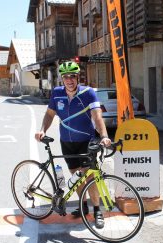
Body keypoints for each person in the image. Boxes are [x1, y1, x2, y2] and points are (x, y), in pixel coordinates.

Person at [35, 61, 111, 229]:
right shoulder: (57, 93)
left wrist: (104, 136)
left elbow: (97, 117)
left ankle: (97, 210)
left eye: (72, 77)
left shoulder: (88, 93)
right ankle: (83, 206)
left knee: (90, 177)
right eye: (66, 77)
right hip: (66, 142)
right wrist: (42, 130)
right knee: (76, 177)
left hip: (86, 142)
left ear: (78, 78)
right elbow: (49, 114)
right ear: (62, 79)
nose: (69, 80)